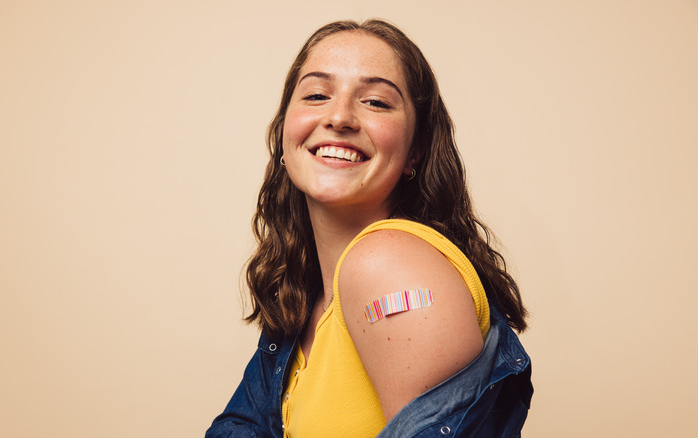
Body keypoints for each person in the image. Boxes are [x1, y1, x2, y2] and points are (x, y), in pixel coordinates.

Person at [207, 19, 532, 438]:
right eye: (317, 94)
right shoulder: (306, 296)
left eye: (376, 102)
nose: (339, 117)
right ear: (285, 134)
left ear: (415, 153)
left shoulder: (386, 264)